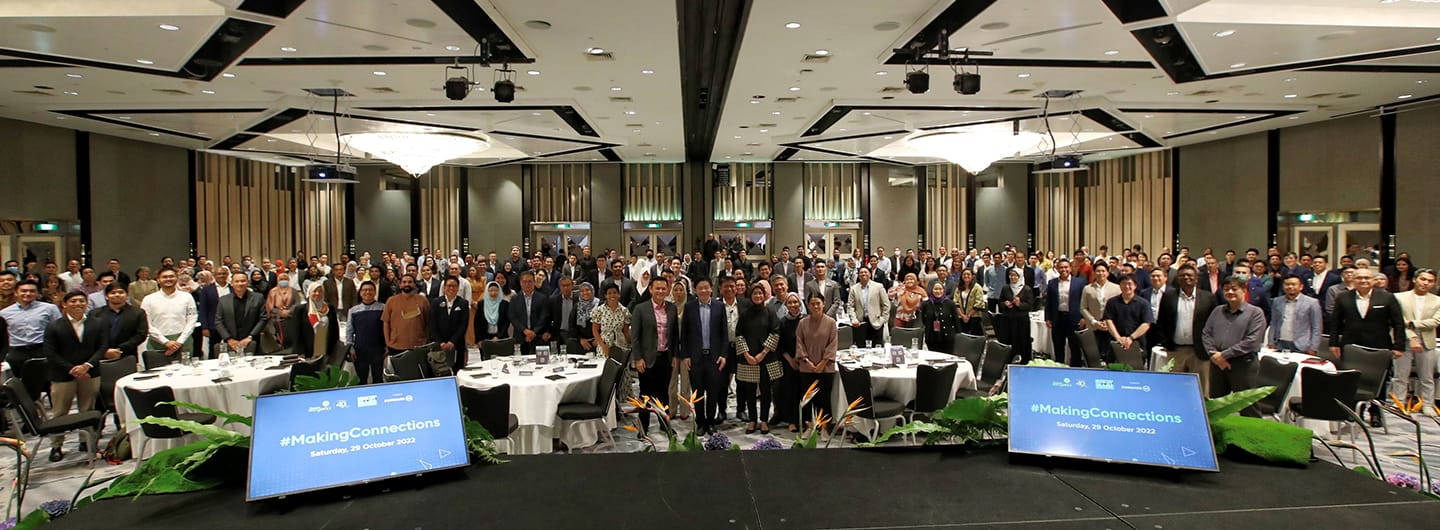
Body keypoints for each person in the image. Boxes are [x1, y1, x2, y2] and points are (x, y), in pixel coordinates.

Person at [41, 290, 104, 461]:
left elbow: (102, 347)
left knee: (87, 409)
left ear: (86, 304)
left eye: (81, 301)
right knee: (60, 411)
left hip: (90, 373)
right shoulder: (54, 326)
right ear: (64, 304)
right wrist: (72, 369)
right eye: (73, 301)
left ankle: (85, 442)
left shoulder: (97, 323)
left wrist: (86, 366)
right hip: (62, 375)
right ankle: (56, 445)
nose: (78, 304)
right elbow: (50, 353)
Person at [1201, 277, 1268, 411]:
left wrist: (1224, 355)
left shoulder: (1255, 313)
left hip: (1243, 364)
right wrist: (1213, 354)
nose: (1230, 292)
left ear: (1244, 290)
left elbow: (1252, 341)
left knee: (1248, 407)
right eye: (1226, 289)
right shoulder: (1217, 311)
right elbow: (1206, 334)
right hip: (1217, 364)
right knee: (1216, 406)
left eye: (1234, 289)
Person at [1157, 264, 1219, 395]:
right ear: (1177, 279)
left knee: (1201, 389)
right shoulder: (1168, 296)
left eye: (1189, 275)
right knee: (1173, 388)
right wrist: (1166, 343)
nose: (1186, 278)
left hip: (1200, 351)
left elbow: (1215, 324)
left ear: (1196, 278)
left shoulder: (1208, 297)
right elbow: (1161, 321)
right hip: (1176, 351)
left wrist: (1210, 346)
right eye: (1182, 275)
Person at [629, 277, 678, 436]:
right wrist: (638, 358)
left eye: (663, 288)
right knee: (645, 395)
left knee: (664, 393)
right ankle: (643, 426)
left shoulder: (671, 308)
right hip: (647, 359)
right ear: (650, 289)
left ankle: (665, 424)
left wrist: (675, 355)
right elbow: (635, 337)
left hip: (666, 357)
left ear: (667, 290)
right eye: (657, 288)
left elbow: (675, 335)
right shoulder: (640, 309)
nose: (660, 291)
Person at [683, 278, 728, 434]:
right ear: (695, 290)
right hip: (696, 357)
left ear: (711, 289)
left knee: (713, 391)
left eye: (706, 287)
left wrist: (723, 354)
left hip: (714, 357)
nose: (703, 290)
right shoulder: (689, 307)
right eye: (700, 288)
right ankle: (700, 421)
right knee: (698, 391)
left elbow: (724, 333)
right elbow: (685, 334)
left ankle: (710, 421)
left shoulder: (719, 306)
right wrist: (686, 355)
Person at [735, 284, 780, 434]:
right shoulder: (745, 314)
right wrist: (746, 354)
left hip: (766, 358)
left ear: (764, 295)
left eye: (760, 293)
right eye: (755, 293)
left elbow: (775, 333)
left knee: (766, 391)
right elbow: (739, 335)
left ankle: (764, 420)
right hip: (749, 358)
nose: (758, 296)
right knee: (750, 391)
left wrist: (763, 353)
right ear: (750, 295)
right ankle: (752, 420)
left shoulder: (770, 312)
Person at [1396, 269, 1440, 415]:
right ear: (1415, 279)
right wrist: (1412, 337)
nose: (1425, 283)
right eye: (1423, 279)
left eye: (1430, 281)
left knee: (1427, 376)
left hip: (1427, 340)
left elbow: (1436, 321)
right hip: (1404, 339)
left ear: (1433, 284)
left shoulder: (1438, 300)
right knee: (1401, 375)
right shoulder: (1399, 297)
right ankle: (1398, 402)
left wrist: (1413, 323)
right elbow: (1399, 321)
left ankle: (1427, 404)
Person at [794, 293, 837, 431]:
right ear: (808, 305)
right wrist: (807, 362)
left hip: (826, 367)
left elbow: (832, 344)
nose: (816, 306)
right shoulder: (802, 323)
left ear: (824, 304)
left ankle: (824, 427)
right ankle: (809, 426)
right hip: (807, 367)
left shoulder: (831, 323)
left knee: (824, 398)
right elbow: (799, 343)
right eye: (812, 304)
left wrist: (822, 363)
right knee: (808, 397)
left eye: (818, 303)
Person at [2, 281, 62, 371]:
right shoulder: (4, 313)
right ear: (16, 293)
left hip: (42, 349)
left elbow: (59, 330)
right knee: (16, 379)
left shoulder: (50, 308)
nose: (28, 293)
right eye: (24, 291)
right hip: (16, 352)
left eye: (32, 291)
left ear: (37, 293)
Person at [140, 267, 199, 358]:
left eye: (171, 276)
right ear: (158, 280)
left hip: (183, 341)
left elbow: (192, 319)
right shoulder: (148, 299)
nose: (168, 279)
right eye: (164, 277)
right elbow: (146, 323)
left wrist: (179, 342)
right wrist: (165, 342)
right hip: (157, 342)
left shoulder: (187, 297)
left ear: (177, 278)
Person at [591, 282, 633, 402]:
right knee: (605, 372)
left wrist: (629, 346)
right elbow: (595, 331)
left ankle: (620, 400)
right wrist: (603, 345)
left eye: (615, 293)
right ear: (605, 295)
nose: (612, 295)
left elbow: (625, 331)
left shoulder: (624, 311)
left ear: (619, 294)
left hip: (620, 343)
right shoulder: (599, 310)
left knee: (621, 372)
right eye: (609, 293)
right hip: (604, 343)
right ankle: (605, 399)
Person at [1101, 275, 1153, 367]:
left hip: (1136, 343)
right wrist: (1118, 338)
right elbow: (1108, 320)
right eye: (1123, 284)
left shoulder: (1143, 303)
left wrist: (1130, 338)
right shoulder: (1112, 302)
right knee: (1113, 369)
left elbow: (1146, 324)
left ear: (1135, 286)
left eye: (1129, 284)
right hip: (1115, 342)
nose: (1126, 286)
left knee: (1135, 371)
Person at [88, 282, 148, 361]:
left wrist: (119, 349)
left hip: (127, 355)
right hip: (100, 356)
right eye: (113, 293)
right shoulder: (95, 313)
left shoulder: (138, 313)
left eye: (121, 292)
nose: (117, 295)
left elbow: (141, 334)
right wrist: (104, 351)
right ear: (106, 296)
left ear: (127, 295)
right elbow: (91, 335)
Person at [1045, 259, 1087, 366]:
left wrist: (1084, 318)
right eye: (1061, 267)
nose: (1064, 269)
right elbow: (1048, 302)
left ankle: (1075, 369)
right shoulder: (1052, 283)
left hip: (1074, 318)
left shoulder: (1079, 282)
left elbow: (1084, 302)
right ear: (1057, 269)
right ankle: (1060, 367)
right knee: (1058, 346)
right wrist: (1047, 318)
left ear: (1070, 268)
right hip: (1058, 318)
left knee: (1075, 347)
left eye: (1066, 267)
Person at [1268, 275, 1324, 355]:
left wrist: (1313, 347)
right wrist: (1271, 342)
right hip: (1280, 344)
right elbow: (1273, 323)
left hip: (1302, 345)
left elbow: (1317, 327)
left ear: (1301, 287)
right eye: (1287, 284)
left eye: (1293, 284)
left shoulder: (1312, 303)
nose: (1290, 287)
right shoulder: (1277, 301)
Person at [214, 272, 265, 357]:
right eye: (237, 281)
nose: (240, 284)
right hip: (230, 342)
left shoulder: (258, 298)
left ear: (248, 282)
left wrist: (250, 337)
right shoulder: (223, 300)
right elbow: (218, 321)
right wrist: (229, 339)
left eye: (243, 281)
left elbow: (263, 318)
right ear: (232, 283)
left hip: (252, 341)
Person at [774, 292, 805, 431]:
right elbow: (780, 345)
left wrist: (802, 358)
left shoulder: (806, 320)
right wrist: (791, 360)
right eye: (790, 303)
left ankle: (805, 420)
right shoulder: (782, 322)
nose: (793, 305)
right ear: (786, 305)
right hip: (789, 362)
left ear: (800, 303)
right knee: (790, 391)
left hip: (805, 361)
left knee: (804, 390)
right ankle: (792, 421)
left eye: (795, 302)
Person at [347, 282, 387, 384]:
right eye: (365, 290)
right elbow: (349, 331)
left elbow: (388, 328)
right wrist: (350, 348)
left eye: (370, 290)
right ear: (360, 293)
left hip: (378, 349)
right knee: (361, 379)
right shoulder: (353, 311)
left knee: (378, 378)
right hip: (360, 349)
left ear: (375, 292)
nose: (367, 292)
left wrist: (387, 346)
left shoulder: (383, 308)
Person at [382, 274, 431, 355]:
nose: (407, 284)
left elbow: (428, 323)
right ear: (400, 285)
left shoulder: (423, 300)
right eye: (404, 282)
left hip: (419, 345)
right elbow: (386, 323)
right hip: (396, 346)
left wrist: (426, 340)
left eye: (410, 282)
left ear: (414, 285)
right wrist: (388, 342)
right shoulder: (391, 301)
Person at [430, 277, 470, 371]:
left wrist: (453, 341)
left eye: (454, 286)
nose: (451, 288)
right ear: (444, 287)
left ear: (458, 288)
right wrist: (440, 342)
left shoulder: (463, 303)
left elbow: (463, 324)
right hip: (439, 343)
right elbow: (432, 323)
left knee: (458, 370)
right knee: (440, 370)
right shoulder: (436, 302)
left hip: (457, 343)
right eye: (448, 286)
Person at [667, 279, 693, 420]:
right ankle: (671, 410)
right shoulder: (668, 308)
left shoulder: (690, 307)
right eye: (676, 290)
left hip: (686, 351)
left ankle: (684, 411)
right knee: (671, 383)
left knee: (685, 383)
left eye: (681, 290)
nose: (678, 292)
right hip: (672, 351)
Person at [294, 282, 340, 364]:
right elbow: (296, 333)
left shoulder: (330, 308)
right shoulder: (301, 309)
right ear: (309, 293)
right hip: (308, 352)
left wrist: (336, 349)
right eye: (314, 291)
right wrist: (300, 352)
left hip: (327, 350)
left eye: (320, 291)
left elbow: (335, 330)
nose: (317, 293)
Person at [998, 268, 1036, 363]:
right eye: (1011, 275)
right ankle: (1008, 361)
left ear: (1020, 277)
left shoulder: (1026, 289)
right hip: (1008, 320)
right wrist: (1005, 304)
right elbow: (1000, 302)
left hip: (1021, 321)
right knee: (1008, 340)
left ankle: (1022, 361)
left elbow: (1030, 306)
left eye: (1015, 275)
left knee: (1021, 341)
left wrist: (1019, 304)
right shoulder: (1006, 288)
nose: (1012, 277)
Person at [508, 271, 550, 356]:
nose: (527, 284)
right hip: (520, 336)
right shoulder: (514, 299)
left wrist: (534, 332)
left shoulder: (542, 298)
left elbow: (544, 317)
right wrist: (525, 330)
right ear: (520, 283)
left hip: (538, 337)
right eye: (524, 282)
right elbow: (512, 317)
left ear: (534, 282)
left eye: (530, 281)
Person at [847, 267, 890, 348]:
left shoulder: (878, 287)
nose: (863, 274)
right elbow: (850, 306)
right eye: (861, 272)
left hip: (876, 322)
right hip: (860, 323)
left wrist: (883, 319)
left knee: (877, 348)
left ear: (870, 274)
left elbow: (886, 305)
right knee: (860, 348)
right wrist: (853, 319)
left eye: (865, 272)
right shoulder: (854, 289)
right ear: (858, 275)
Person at [260, 277, 300, 354]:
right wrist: (280, 312)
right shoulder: (272, 291)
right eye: (281, 279)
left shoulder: (294, 291)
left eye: (285, 279)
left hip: (291, 318)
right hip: (276, 320)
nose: (283, 281)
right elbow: (269, 306)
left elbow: (297, 303)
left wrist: (289, 311)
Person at [920, 281, 958, 354]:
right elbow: (924, 320)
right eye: (936, 289)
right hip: (932, 338)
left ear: (944, 290)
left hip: (947, 337)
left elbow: (956, 320)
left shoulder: (950, 303)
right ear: (932, 290)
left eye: (940, 289)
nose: (938, 291)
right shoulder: (926, 304)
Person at [954, 268, 986, 336]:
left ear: (972, 276)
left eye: (968, 274)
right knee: (962, 337)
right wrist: (962, 316)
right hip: (961, 316)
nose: (966, 276)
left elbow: (979, 303)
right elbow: (955, 302)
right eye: (964, 274)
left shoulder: (977, 287)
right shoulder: (958, 288)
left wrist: (968, 316)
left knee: (974, 337)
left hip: (974, 316)